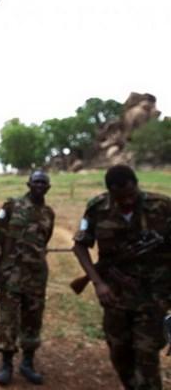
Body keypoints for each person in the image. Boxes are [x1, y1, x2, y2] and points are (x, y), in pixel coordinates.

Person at [72, 165, 171, 390]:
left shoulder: (162, 206)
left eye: (130, 195)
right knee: (120, 354)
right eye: (120, 197)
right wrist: (98, 283)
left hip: (153, 297)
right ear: (110, 192)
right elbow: (79, 246)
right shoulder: (97, 208)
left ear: (136, 185)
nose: (127, 202)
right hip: (115, 297)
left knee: (147, 358)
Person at [0, 171, 55, 386]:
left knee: (33, 320)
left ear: (48, 187)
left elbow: (46, 241)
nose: (39, 185)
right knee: (8, 319)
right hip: (11, 274)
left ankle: (27, 363)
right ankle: (6, 364)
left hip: (36, 276)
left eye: (44, 183)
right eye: (36, 182)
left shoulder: (48, 213)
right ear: (29, 184)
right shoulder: (11, 206)